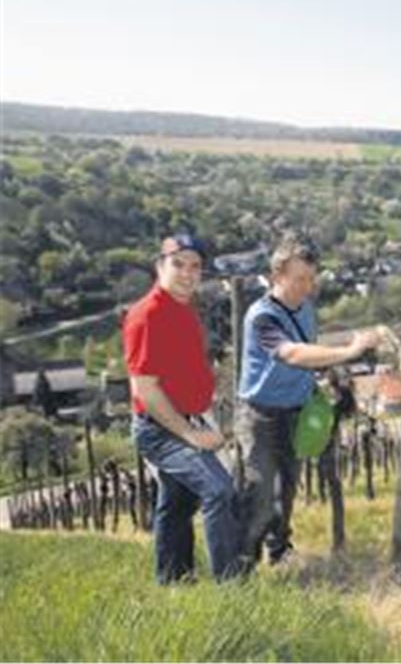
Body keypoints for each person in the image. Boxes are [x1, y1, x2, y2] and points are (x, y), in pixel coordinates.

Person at [235, 236, 382, 568]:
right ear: (277, 276)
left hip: (296, 411)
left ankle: (280, 553)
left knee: (287, 486)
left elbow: (312, 353)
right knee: (258, 492)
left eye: (311, 278)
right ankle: (242, 562)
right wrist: (349, 350)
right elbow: (293, 353)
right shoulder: (262, 318)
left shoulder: (306, 310)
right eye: (299, 278)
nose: (307, 286)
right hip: (259, 415)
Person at [123, 232, 242, 583]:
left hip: (188, 417)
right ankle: (232, 589)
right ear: (160, 266)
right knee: (219, 490)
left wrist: (209, 381)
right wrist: (191, 434)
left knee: (176, 505)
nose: (188, 273)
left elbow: (181, 364)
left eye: (196, 267)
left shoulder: (184, 307)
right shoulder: (146, 315)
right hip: (162, 428)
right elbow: (145, 388)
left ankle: (175, 582)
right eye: (179, 264)